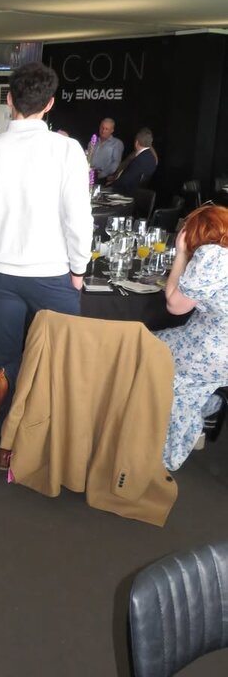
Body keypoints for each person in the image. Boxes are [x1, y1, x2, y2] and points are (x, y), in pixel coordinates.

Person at [0, 62, 92, 471]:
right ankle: (54, 449)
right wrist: (79, 269)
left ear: (8, 100)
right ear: (50, 104)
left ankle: (3, 446)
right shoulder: (67, 150)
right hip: (54, 276)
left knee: (6, 357)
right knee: (62, 361)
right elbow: (78, 220)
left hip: (2, 276)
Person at [156, 204, 228, 470]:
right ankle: (206, 405)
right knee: (157, 342)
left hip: (214, 352)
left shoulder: (213, 256)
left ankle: (163, 452)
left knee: (145, 347)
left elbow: (175, 306)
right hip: (214, 345)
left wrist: (182, 254)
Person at [105, 127, 157, 195]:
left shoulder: (139, 159)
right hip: (135, 191)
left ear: (136, 142)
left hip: (125, 192)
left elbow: (125, 180)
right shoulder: (150, 157)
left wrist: (111, 184)